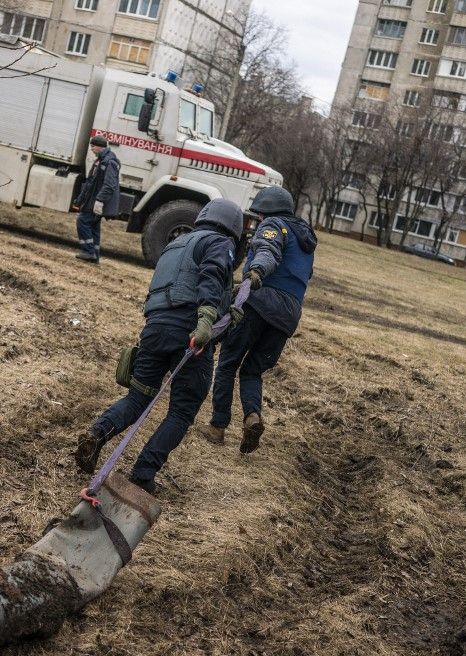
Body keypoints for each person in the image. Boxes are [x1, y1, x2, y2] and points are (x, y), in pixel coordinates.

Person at [72, 198, 244, 493]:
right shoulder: (220, 242)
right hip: (189, 334)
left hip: (154, 329)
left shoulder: (175, 245)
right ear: (234, 228)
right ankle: (143, 473)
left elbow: (185, 282)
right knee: (181, 410)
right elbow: (211, 277)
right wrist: (206, 319)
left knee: (138, 398)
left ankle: (97, 432)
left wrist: (228, 306)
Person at [197, 186, 317, 454]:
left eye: (258, 216)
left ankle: (217, 427)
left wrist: (256, 272)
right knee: (252, 370)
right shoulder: (306, 239)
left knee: (228, 362)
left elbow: (267, 250)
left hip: (261, 302)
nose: (257, 222)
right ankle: (252, 417)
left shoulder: (273, 225)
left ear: (267, 212)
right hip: (289, 315)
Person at [72, 134, 121, 264]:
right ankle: (95, 255)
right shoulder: (100, 160)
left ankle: (88, 251)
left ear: (99, 147)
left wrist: (99, 200)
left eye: (92, 146)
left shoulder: (109, 162)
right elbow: (90, 182)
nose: (91, 149)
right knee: (93, 225)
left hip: (96, 200)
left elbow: (109, 185)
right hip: (91, 200)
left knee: (82, 221)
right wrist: (79, 200)